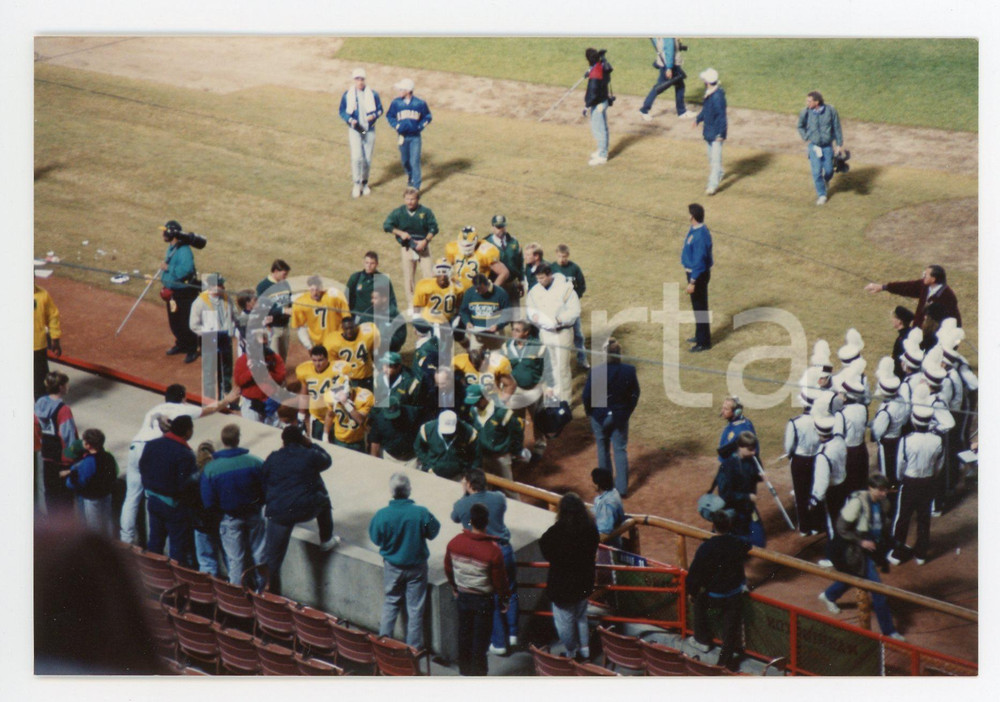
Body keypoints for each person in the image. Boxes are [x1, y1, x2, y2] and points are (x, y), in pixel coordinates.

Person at [119, 383, 233, 545]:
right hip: (153, 452)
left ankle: (126, 539)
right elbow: (210, 409)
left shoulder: (155, 408)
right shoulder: (183, 409)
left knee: (131, 497)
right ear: (183, 398)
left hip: (136, 447)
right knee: (152, 495)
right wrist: (226, 400)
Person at [817, 474, 904, 640]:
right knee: (877, 590)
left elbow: (882, 527)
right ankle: (889, 631)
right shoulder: (857, 503)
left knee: (856, 575)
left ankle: (829, 595)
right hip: (854, 550)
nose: (884, 493)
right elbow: (841, 528)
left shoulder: (883, 503)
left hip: (870, 548)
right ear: (870, 488)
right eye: (880, 490)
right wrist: (861, 541)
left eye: (885, 490)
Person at [368, 472, 441, 649]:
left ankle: (384, 644)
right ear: (409, 490)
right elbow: (433, 532)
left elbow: (376, 538)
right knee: (415, 609)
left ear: (391, 491)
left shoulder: (382, 515)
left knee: (391, 602)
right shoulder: (421, 513)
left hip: (392, 566)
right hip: (416, 567)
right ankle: (413, 650)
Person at [451, 469, 519, 656]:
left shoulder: (462, 504)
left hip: (485, 555)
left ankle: (499, 642)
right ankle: (513, 633)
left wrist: (465, 495)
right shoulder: (498, 498)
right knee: (510, 591)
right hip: (505, 551)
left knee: (491, 597)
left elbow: (455, 517)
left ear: (470, 485)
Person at [262, 425, 340, 587]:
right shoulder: (309, 455)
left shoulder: (274, 457)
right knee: (323, 498)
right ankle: (326, 539)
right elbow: (327, 460)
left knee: (273, 559)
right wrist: (310, 443)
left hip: (279, 512)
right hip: (306, 509)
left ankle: (267, 595)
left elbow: (264, 478)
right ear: (301, 439)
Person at [444, 502, 510, 676]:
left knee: (464, 637)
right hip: (483, 601)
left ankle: (465, 674)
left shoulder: (454, 543)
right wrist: (504, 599)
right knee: (480, 642)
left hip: (463, 598)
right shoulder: (493, 551)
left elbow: (449, 569)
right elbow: (500, 581)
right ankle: (479, 678)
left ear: (470, 521)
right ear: (486, 522)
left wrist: (455, 587)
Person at [200, 424, 267, 585]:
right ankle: (263, 592)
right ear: (238, 439)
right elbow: (267, 487)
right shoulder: (255, 462)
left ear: (223, 441)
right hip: (254, 515)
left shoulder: (210, 469)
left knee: (235, 559)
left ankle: (236, 596)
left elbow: (208, 502)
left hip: (229, 519)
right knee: (259, 554)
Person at [685, 510, 750, 671]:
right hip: (734, 596)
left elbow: (694, 575)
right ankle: (724, 662)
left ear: (713, 527)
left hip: (713, 597)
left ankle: (702, 640)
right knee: (730, 625)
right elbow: (747, 544)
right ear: (729, 526)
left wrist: (692, 593)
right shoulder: (737, 543)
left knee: (698, 602)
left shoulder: (706, 547)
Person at [539, 492, 600, 660]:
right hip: (584, 583)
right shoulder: (591, 528)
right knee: (581, 616)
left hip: (563, 589)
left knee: (565, 623)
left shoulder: (556, 532)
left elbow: (544, 548)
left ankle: (571, 653)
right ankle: (585, 649)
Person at [886, 399, 944, 566]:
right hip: (928, 481)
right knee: (924, 517)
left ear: (914, 420)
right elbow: (939, 464)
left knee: (902, 518)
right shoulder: (937, 440)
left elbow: (900, 465)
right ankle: (921, 554)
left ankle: (897, 554)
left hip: (910, 482)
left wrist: (900, 479)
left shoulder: (906, 440)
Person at [582, 338, 640, 498]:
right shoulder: (629, 370)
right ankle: (621, 490)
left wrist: (590, 413)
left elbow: (586, 396)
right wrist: (627, 411)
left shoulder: (597, 371)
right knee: (620, 450)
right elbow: (635, 394)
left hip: (599, 417)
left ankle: (605, 486)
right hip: (620, 416)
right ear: (619, 354)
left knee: (602, 449)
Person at [139, 414, 198, 567]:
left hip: (153, 500)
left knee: (155, 541)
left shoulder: (152, 444)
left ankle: (154, 576)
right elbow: (185, 484)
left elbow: (142, 467)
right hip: (174, 506)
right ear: (187, 432)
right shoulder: (185, 454)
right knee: (177, 547)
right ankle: (174, 584)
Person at [525, 263, 581, 402]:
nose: (540, 281)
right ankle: (552, 399)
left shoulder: (565, 288)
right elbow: (530, 310)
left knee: (562, 368)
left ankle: (565, 401)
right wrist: (535, 317)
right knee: (549, 367)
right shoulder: (535, 291)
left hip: (562, 332)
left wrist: (559, 319)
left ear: (549, 275)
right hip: (545, 333)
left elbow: (574, 311)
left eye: (542, 278)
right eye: (538, 278)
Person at [465, 384, 524, 495]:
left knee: (509, 488)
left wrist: (516, 451)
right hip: (484, 456)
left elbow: (516, 432)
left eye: (477, 401)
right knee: (485, 486)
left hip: (500, 457)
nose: (475, 404)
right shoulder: (473, 411)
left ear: (485, 397)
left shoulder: (501, 412)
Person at [864, 265, 962, 330]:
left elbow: (954, 320)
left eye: (926, 275)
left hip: (933, 337)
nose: (923, 276)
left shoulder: (948, 296)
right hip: (918, 331)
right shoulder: (925, 286)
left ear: (933, 279)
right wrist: (883, 287)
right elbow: (906, 287)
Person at [35, 370, 79, 515]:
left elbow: (36, 427)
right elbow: (68, 436)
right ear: (60, 387)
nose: (68, 387)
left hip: (47, 456)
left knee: (51, 496)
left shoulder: (40, 404)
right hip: (62, 460)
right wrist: (71, 459)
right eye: (66, 384)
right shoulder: (64, 410)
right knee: (65, 500)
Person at [384, 188, 440, 298]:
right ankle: (412, 305)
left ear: (418, 199)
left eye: (412, 199)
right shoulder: (398, 212)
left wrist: (425, 241)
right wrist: (400, 233)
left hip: (423, 247)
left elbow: (434, 228)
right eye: (407, 199)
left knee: (429, 275)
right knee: (408, 278)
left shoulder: (425, 212)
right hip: (407, 247)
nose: (409, 202)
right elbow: (387, 225)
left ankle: (430, 300)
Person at [61, 429, 117, 537]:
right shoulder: (109, 457)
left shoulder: (89, 461)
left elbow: (81, 481)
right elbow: (113, 475)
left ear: (88, 445)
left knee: (94, 527)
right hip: (106, 494)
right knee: (107, 522)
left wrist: (69, 481)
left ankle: (96, 549)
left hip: (92, 498)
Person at [189, 273, 237, 399]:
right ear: (212, 286)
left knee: (226, 370)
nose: (223, 287)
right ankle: (209, 400)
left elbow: (235, 315)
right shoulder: (199, 302)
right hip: (210, 339)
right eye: (220, 284)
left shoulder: (227, 298)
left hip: (225, 338)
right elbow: (193, 325)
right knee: (210, 371)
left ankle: (226, 398)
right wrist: (208, 332)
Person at [159, 220, 200, 364]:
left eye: (165, 231)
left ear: (172, 233)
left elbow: (185, 270)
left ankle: (192, 348)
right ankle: (181, 344)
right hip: (172, 293)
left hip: (184, 293)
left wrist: (168, 269)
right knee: (175, 322)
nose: (163, 233)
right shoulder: (171, 248)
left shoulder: (184, 251)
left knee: (186, 322)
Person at [785, 377, 822, 535]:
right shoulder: (822, 420)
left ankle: (805, 527)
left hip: (800, 460)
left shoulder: (795, 422)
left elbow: (788, 446)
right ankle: (816, 524)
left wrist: (791, 455)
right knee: (815, 491)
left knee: (801, 494)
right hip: (817, 459)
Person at [715, 432, 765, 547]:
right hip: (733, 509)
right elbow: (725, 494)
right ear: (741, 447)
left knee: (758, 541)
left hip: (748, 507)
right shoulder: (727, 466)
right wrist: (747, 497)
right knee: (737, 542)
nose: (754, 452)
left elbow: (752, 477)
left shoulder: (752, 460)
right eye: (750, 449)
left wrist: (760, 476)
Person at [339, 67, 383, 198]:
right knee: (356, 157)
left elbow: (380, 110)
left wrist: (373, 115)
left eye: (362, 79)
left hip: (369, 129)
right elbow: (342, 111)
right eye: (357, 79)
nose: (360, 82)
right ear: (354, 80)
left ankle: (364, 182)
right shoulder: (348, 95)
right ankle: (356, 183)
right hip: (356, 129)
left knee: (367, 158)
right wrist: (350, 119)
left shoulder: (373, 94)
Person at [796, 91, 845, 206]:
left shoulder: (830, 110)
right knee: (816, 172)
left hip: (827, 147)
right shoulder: (806, 112)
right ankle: (822, 195)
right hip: (814, 146)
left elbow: (836, 127)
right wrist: (806, 136)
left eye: (809, 101)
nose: (807, 103)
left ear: (817, 102)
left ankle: (826, 180)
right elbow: (800, 126)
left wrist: (839, 144)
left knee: (829, 171)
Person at [385, 78, 432, 190]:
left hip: (415, 138)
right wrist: (396, 125)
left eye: (401, 89)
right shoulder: (396, 103)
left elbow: (428, 117)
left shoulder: (419, 103)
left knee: (414, 161)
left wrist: (420, 126)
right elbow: (390, 116)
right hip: (402, 137)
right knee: (405, 161)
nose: (399, 91)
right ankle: (410, 175)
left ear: (408, 90)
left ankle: (416, 186)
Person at [233, 329, 286, 425]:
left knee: (274, 433)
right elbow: (239, 381)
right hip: (251, 404)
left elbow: (280, 378)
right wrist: (252, 372)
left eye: (264, 345)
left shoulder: (275, 358)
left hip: (270, 403)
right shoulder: (243, 359)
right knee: (253, 432)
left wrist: (267, 373)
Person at [681, 203, 713, 352]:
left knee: (700, 308)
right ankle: (699, 335)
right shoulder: (696, 229)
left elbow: (700, 261)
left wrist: (692, 282)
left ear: (692, 216)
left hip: (697, 275)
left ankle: (703, 342)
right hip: (695, 272)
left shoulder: (700, 235)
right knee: (698, 307)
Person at [550, 244, 588, 369]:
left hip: (571, 308)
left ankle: (582, 359)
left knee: (578, 335)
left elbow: (582, 286)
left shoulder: (574, 268)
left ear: (568, 256)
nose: (562, 259)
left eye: (565, 257)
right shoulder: (551, 268)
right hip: (557, 310)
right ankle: (556, 362)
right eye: (560, 256)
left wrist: (573, 299)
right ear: (556, 255)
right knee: (556, 335)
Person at [414, 409, 480, 480]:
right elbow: (418, 447)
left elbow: (476, 456)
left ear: (457, 423)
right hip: (432, 473)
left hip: (458, 475)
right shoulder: (427, 429)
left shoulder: (469, 432)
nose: (447, 434)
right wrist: (428, 466)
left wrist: (468, 474)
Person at [291, 275, 351, 352]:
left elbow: (346, 319)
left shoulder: (334, 297)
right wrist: (309, 346)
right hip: (318, 343)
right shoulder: (301, 302)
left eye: (317, 289)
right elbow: (300, 327)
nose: (315, 293)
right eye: (312, 290)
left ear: (322, 288)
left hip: (337, 340)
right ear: (308, 288)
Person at [295, 345, 343, 440]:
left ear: (327, 358)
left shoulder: (337, 370)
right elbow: (304, 394)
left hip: (336, 417)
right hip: (317, 417)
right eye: (314, 360)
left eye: (320, 360)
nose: (317, 364)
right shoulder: (306, 371)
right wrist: (301, 416)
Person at [639, 38, 692, 121]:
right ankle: (644, 110)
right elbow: (669, 49)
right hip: (670, 64)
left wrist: (678, 45)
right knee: (660, 88)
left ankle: (682, 111)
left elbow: (661, 46)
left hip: (665, 63)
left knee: (679, 86)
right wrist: (669, 68)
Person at [693, 69, 727, 195]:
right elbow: (706, 110)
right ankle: (720, 173)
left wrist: (721, 134)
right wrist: (698, 119)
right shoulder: (710, 93)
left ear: (707, 82)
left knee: (715, 161)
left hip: (716, 133)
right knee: (712, 159)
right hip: (709, 132)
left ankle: (712, 185)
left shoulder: (717, 97)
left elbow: (722, 117)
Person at [324, 315, 380, 391]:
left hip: (366, 376)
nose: (349, 331)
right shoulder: (333, 343)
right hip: (348, 379)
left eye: (351, 328)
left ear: (356, 326)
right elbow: (333, 365)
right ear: (342, 329)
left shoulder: (367, 334)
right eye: (346, 328)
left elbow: (376, 350)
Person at [457, 274, 511, 351]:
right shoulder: (470, 292)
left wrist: (498, 325)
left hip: (495, 333)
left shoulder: (500, 293)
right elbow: (463, 311)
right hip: (476, 334)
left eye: (481, 288)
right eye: (476, 289)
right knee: (475, 358)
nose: (478, 291)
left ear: (487, 285)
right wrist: (467, 322)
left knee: (496, 359)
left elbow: (508, 314)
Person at [322, 373, 374, 452]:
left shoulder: (365, 396)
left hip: (358, 441)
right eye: (335, 390)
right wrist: (325, 435)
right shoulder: (331, 398)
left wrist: (346, 403)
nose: (338, 393)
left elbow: (360, 420)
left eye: (339, 389)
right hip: (339, 440)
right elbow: (330, 415)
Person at [369, 396, 422, 470]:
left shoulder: (412, 413)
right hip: (390, 458)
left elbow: (423, 433)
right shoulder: (379, 420)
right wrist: (373, 464)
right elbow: (375, 444)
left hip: (411, 460)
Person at [255, 259, 293, 362]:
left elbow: (290, 301)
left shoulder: (285, 284)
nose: (285, 277)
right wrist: (283, 311)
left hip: (285, 326)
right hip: (272, 328)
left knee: (283, 358)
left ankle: (280, 377)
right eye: (284, 274)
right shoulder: (263, 286)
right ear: (276, 271)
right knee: (273, 358)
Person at [484, 214, 525, 303]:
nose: (500, 230)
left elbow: (519, 262)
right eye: (498, 227)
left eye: (502, 226)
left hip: (512, 285)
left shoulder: (514, 242)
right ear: (492, 228)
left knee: (514, 314)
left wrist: (521, 280)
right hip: (495, 284)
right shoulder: (485, 244)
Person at [412, 258, 463, 327]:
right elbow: (417, 305)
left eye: (445, 272)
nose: (443, 276)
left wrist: (456, 318)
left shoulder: (457, 287)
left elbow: (458, 306)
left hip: (447, 322)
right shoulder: (425, 285)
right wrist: (416, 319)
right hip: (429, 321)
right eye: (440, 272)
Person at [583, 47, 613, 166]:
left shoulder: (596, 73)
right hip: (603, 100)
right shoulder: (600, 66)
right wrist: (590, 70)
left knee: (599, 129)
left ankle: (602, 155)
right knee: (600, 128)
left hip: (598, 103)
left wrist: (587, 106)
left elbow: (593, 93)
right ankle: (601, 150)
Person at [347, 251, 397, 316]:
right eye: (367, 263)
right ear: (363, 263)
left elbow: (391, 301)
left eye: (372, 263)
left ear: (377, 264)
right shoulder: (356, 277)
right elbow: (346, 299)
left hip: (376, 318)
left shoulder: (383, 280)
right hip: (357, 317)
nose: (369, 266)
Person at [33, 283, 62, 399]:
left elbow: (53, 316)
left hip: (37, 346)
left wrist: (55, 339)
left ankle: (42, 409)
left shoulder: (43, 296)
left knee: (40, 382)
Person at [591, 468, 625, 549]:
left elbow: (604, 530)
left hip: (607, 548)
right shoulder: (613, 492)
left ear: (597, 485)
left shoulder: (605, 504)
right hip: (614, 541)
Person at [717, 395, 756, 461]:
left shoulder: (740, 429)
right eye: (723, 408)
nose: (722, 411)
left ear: (736, 412)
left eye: (726, 409)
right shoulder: (741, 423)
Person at [890, 306, 916, 379]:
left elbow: (899, 360)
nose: (892, 320)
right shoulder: (907, 333)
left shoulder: (903, 339)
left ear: (899, 321)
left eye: (894, 318)